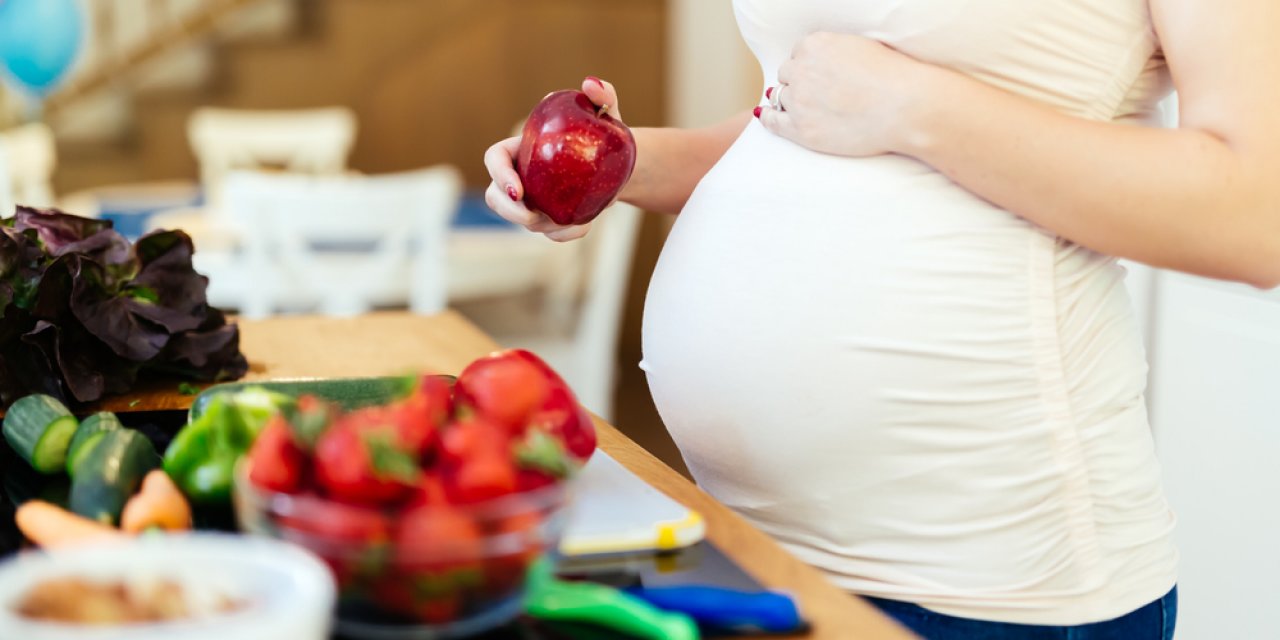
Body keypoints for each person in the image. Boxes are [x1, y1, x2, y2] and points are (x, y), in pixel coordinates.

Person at [485, 1, 1279, 637]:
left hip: (987, 597)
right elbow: (802, 116)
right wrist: (616, 161)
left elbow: (1254, 214)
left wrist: (915, 106)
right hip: (754, 553)